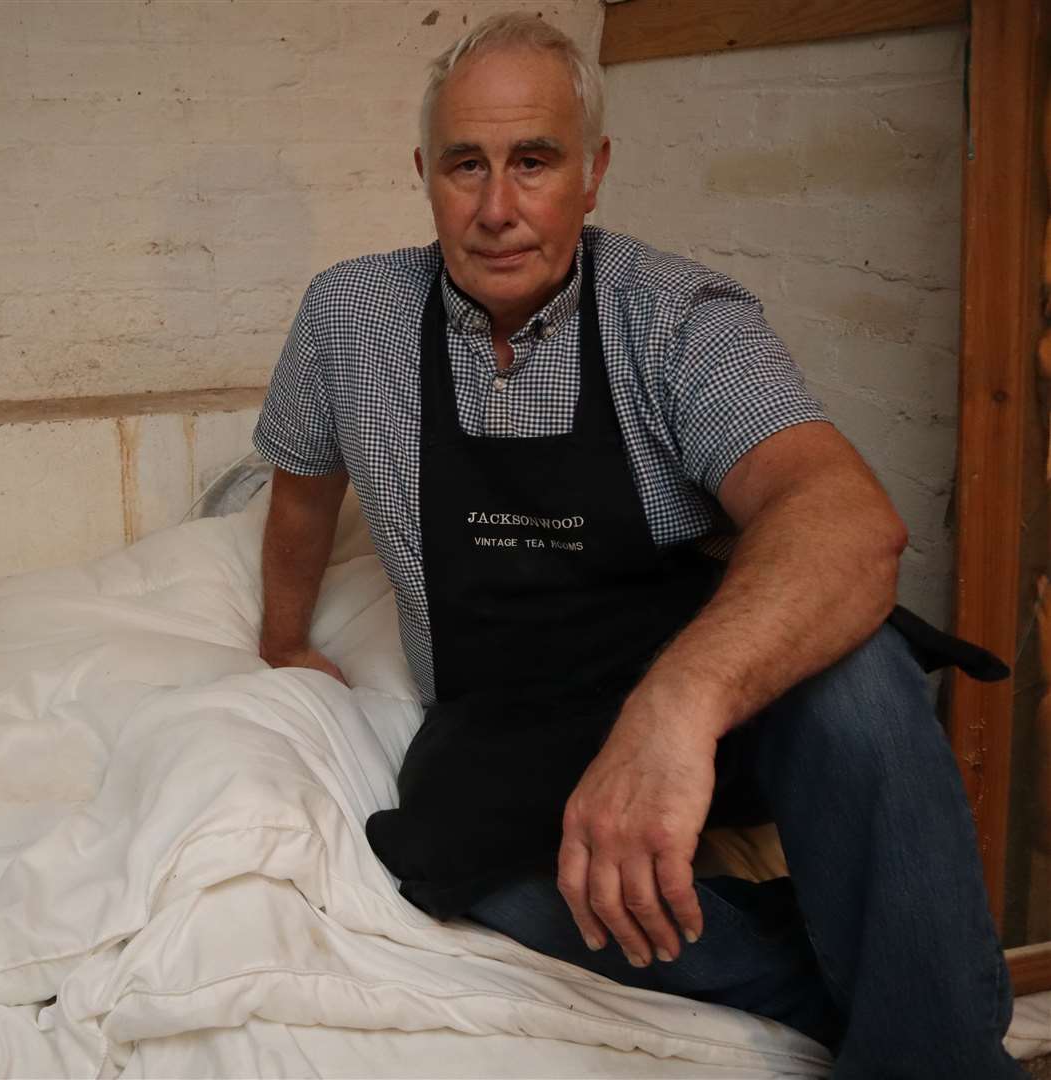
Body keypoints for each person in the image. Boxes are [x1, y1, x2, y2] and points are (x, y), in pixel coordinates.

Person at [251, 12, 1024, 1079]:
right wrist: (284, 639)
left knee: (860, 676)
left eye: (535, 162)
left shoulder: (679, 317)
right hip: (509, 711)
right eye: (465, 166)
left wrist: (675, 709)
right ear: (423, 174)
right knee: (468, 873)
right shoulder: (349, 318)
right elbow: (299, 498)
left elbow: (845, 519)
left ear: (595, 172)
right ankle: (885, 980)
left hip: (695, 675)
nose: (497, 209)